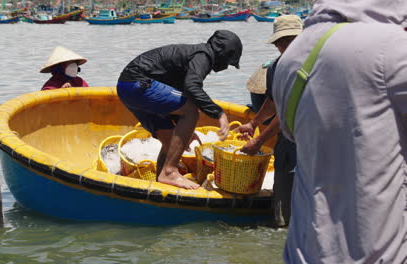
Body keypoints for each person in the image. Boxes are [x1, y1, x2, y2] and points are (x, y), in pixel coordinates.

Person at [271, 1, 407, 263]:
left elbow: (293, 133)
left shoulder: (291, 56)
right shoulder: (390, 47)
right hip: (377, 253)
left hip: (304, 250)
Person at [117, 30, 242, 189]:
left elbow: (176, 95)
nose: (225, 67)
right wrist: (219, 114)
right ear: (223, 54)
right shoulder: (203, 55)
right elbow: (192, 87)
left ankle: (162, 182)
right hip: (138, 83)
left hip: (127, 88)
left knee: (170, 141)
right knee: (191, 110)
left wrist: (186, 131)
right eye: (228, 62)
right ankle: (170, 172)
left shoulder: (197, 55)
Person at [237, 15, 302, 228]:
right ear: (276, 44)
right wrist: (253, 123)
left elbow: (286, 114)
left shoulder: (314, 65)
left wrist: (259, 141)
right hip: (288, 140)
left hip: (309, 138)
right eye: (283, 41)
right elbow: (273, 101)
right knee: (285, 198)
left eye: (292, 40)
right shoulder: (276, 67)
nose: (286, 45)